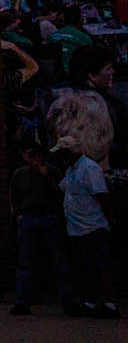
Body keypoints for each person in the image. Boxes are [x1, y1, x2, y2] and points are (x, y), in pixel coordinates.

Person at [58, 135, 119, 319]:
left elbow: (102, 196)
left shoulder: (89, 168)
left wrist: (110, 221)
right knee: (85, 268)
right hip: (76, 228)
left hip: (92, 227)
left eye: (62, 152)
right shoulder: (71, 170)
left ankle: (109, 304)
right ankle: (89, 302)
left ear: (69, 152)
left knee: (101, 266)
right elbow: (62, 189)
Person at [8, 143, 65, 315]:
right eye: (30, 155)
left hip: (48, 216)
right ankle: (23, 301)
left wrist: (48, 177)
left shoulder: (52, 171)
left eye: (37, 155)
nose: (34, 159)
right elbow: (14, 197)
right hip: (28, 217)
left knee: (59, 258)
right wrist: (18, 215)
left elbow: (61, 192)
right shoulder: (20, 174)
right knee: (25, 261)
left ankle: (67, 299)